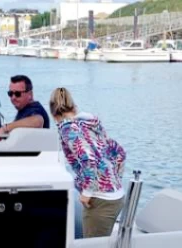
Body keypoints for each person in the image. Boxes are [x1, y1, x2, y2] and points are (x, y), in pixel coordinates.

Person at [49, 87, 126, 238]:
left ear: (53, 113)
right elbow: (119, 153)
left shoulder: (68, 129)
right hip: (116, 197)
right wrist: (114, 181)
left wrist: (87, 192)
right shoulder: (91, 124)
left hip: (100, 200)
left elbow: (89, 160)